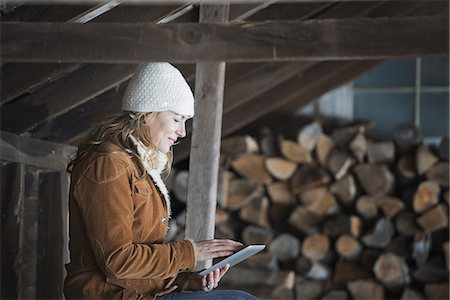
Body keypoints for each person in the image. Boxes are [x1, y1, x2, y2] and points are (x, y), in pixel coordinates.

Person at [64, 62, 258, 300]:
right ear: (148, 114)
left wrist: (187, 281)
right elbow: (118, 261)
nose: (182, 132)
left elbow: (140, 264)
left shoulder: (139, 166)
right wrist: (191, 252)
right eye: (177, 119)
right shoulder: (108, 165)